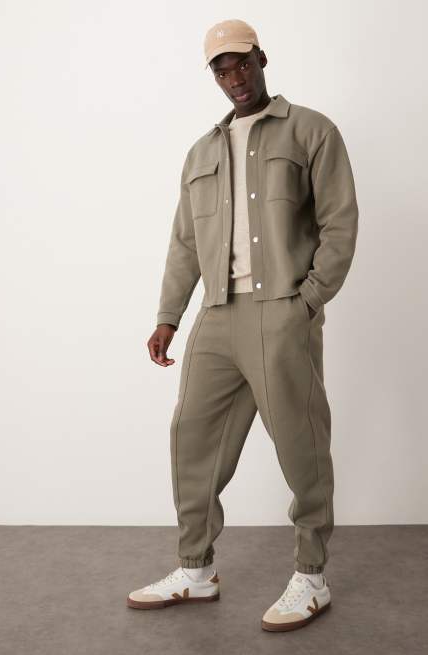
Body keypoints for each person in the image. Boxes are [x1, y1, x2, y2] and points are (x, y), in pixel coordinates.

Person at [127, 18, 359, 632]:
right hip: (217, 315)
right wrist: (168, 316)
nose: (234, 78)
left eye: (242, 64)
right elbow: (184, 242)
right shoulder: (201, 153)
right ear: (214, 76)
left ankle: (312, 576)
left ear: (262, 59)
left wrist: (306, 302)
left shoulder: (311, 130)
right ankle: (195, 568)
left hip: (282, 310)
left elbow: (340, 223)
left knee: (301, 443)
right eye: (222, 70)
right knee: (193, 440)